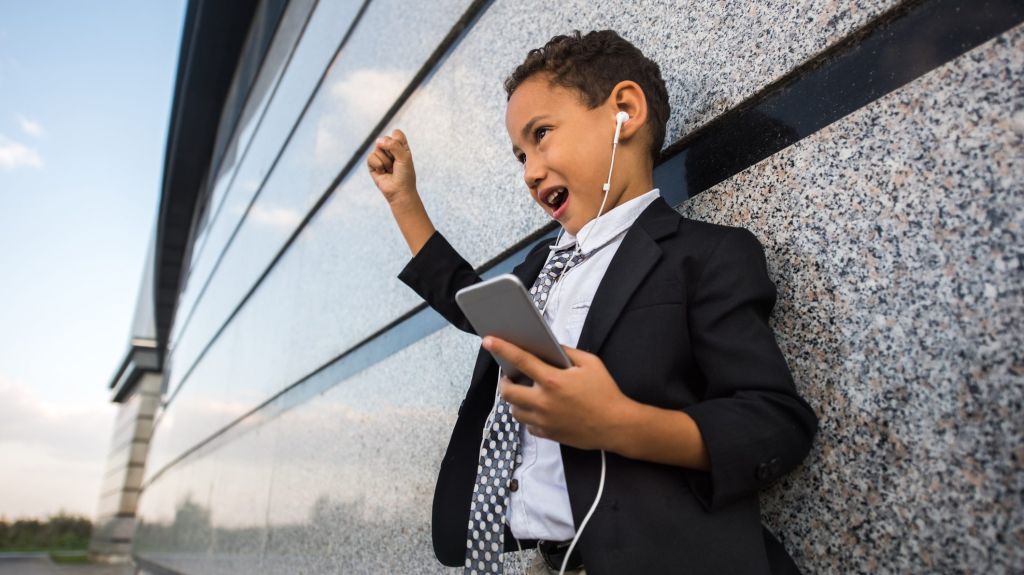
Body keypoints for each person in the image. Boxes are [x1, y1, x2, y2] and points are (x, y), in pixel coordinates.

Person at [367, 30, 818, 575]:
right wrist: (405, 202)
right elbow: (473, 307)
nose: (530, 172)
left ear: (624, 111)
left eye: (542, 135)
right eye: (520, 155)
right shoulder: (540, 265)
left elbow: (774, 422)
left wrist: (619, 422)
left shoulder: (705, 256)